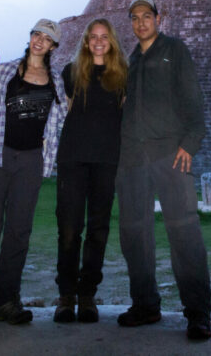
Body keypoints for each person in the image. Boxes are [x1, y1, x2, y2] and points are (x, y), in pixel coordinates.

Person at [116, 0, 211, 340]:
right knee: (134, 234)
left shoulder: (174, 49)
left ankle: (198, 313)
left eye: (146, 16)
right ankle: (146, 304)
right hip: (131, 159)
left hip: (170, 154)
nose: (141, 22)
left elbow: (193, 99)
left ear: (158, 18)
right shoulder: (131, 60)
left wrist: (190, 142)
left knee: (184, 232)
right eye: (135, 17)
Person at [0, 19, 68, 332]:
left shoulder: (54, 80)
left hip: (31, 161)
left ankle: (7, 299)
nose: (39, 40)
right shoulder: (7, 71)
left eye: (46, 38)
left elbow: (60, 118)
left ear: (53, 47)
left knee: (19, 231)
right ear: (31, 38)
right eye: (36, 34)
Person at [52, 19, 128, 323]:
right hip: (73, 158)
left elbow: (121, 113)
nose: (98, 42)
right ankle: (66, 294)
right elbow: (65, 111)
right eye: (93, 37)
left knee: (98, 230)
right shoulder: (71, 73)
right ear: (85, 41)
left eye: (104, 37)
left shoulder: (121, 75)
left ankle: (87, 295)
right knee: (69, 229)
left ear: (111, 42)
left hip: (106, 160)